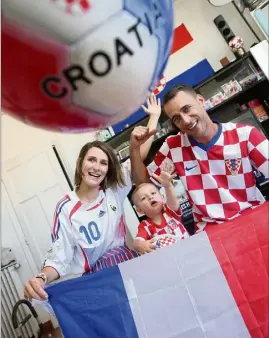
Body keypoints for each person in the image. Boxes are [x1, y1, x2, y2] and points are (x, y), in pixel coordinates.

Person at [24, 94, 160, 301]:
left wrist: (154, 117)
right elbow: (59, 258)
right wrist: (41, 278)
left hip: (129, 265)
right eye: (92, 160)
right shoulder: (66, 208)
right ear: (80, 163)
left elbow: (138, 154)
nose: (97, 167)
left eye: (103, 163)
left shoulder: (114, 190)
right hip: (99, 283)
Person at [130, 86, 269, 233]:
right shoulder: (173, 147)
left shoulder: (245, 134)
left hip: (253, 218)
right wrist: (134, 149)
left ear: (201, 101)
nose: (186, 120)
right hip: (210, 232)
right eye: (177, 118)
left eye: (187, 109)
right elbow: (143, 184)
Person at [132, 164, 189, 255]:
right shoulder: (145, 226)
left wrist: (168, 186)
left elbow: (173, 201)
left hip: (188, 250)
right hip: (169, 260)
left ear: (163, 198)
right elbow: (138, 240)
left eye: (153, 193)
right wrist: (139, 244)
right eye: (143, 198)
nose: (150, 197)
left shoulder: (170, 212)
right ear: (140, 211)